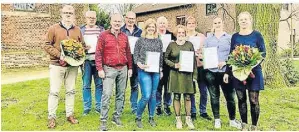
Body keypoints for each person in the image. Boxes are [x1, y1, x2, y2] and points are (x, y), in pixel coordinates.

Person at [223, 12, 266, 131]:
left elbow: (263, 53)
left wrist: (251, 65)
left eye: (246, 19)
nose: (243, 21)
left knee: (253, 100)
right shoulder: (235, 37)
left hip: (254, 72)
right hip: (238, 72)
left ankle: (254, 126)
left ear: (250, 20)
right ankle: (244, 125)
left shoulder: (257, 35)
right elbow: (231, 55)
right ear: (238, 21)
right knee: (241, 99)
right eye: (241, 19)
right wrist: (227, 72)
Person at [44, 5, 84, 128]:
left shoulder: (77, 30)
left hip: (72, 67)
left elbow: (81, 45)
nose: (68, 15)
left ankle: (69, 114)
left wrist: (83, 50)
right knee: (54, 92)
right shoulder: (53, 28)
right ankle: (51, 117)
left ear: (74, 15)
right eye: (66, 12)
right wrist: (59, 55)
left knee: (71, 91)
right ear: (61, 14)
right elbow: (46, 45)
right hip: (57, 65)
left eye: (70, 13)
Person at [95, 13, 133, 131]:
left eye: (119, 21)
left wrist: (130, 68)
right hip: (109, 69)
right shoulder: (103, 35)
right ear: (110, 22)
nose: (117, 23)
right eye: (115, 21)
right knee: (106, 94)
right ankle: (103, 121)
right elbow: (98, 53)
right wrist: (100, 69)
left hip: (123, 69)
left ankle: (116, 116)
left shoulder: (124, 36)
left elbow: (128, 52)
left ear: (122, 22)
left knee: (120, 94)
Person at [204, 17, 241, 129]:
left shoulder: (230, 38)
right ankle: (217, 120)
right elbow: (205, 54)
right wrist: (203, 57)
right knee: (214, 96)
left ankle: (232, 120)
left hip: (226, 72)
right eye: (215, 23)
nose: (217, 24)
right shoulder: (208, 39)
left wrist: (225, 62)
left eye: (219, 22)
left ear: (222, 24)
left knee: (230, 96)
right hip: (211, 71)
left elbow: (234, 55)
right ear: (213, 25)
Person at [165, 25, 197, 129]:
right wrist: (174, 65)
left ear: (185, 34)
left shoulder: (189, 45)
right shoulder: (171, 45)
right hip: (175, 74)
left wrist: (195, 75)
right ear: (176, 34)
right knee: (177, 96)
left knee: (188, 97)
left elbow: (194, 61)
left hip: (187, 74)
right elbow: (165, 59)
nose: (181, 34)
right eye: (179, 33)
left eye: (183, 33)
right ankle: (178, 119)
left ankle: (188, 118)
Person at [133, 18, 163, 128]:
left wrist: (161, 70)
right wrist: (139, 64)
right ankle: (138, 117)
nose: (151, 28)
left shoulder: (158, 41)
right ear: (146, 28)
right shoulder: (140, 40)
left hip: (155, 71)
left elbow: (161, 57)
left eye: (153, 27)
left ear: (155, 28)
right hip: (143, 70)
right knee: (146, 95)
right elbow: (135, 55)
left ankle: (151, 117)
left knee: (153, 95)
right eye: (149, 26)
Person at [185, 16, 212, 121]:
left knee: (203, 90)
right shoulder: (184, 36)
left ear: (196, 24)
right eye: (189, 23)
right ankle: (193, 111)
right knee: (191, 90)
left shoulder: (202, 36)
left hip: (200, 65)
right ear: (186, 25)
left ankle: (203, 111)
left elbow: (207, 50)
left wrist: (201, 52)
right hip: (189, 66)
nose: (191, 25)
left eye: (193, 23)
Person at [80, 11, 105, 116]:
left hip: (98, 60)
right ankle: (87, 107)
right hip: (86, 60)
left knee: (99, 84)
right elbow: (77, 45)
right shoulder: (81, 30)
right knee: (86, 85)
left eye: (93, 18)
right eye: (89, 17)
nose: (91, 19)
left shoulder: (101, 30)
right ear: (85, 18)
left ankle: (99, 106)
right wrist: (83, 48)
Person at [120, 11, 142, 114]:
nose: (130, 20)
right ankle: (120, 106)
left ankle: (134, 107)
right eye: (128, 18)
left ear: (135, 19)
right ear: (125, 18)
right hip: (123, 60)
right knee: (121, 85)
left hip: (136, 60)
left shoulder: (140, 32)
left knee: (134, 85)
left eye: (132, 18)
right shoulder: (120, 30)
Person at [156, 16, 176, 116]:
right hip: (157, 64)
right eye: (160, 23)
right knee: (158, 86)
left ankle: (167, 106)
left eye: (164, 23)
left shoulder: (171, 35)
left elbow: (176, 48)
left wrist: (173, 44)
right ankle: (158, 106)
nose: (162, 25)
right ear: (157, 24)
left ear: (167, 24)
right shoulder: (155, 35)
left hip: (168, 65)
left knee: (168, 87)